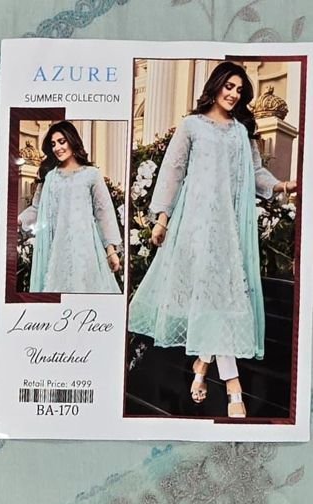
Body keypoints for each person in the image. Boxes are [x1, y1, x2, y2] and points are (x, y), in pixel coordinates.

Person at [128, 60, 298, 417]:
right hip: (194, 227)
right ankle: (233, 386)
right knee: (216, 299)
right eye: (229, 86)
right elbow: (172, 171)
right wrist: (162, 220)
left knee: (220, 300)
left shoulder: (240, 132)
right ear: (216, 85)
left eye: (240, 90)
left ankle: (203, 367)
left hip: (227, 229)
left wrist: (281, 185)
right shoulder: (192, 126)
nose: (233, 94)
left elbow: (255, 173)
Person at [18, 121, 123, 293]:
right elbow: (36, 209)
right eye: (53, 144)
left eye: (61, 141)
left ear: (72, 140)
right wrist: (18, 221)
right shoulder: (50, 177)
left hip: (86, 249)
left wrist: (111, 251)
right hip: (57, 250)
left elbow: (103, 212)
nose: (57, 148)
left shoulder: (91, 174)